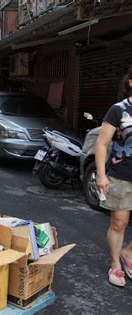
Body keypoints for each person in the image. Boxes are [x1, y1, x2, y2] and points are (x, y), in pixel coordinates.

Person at [96, 68, 132, 287]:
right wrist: (101, 175)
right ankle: (115, 265)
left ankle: (128, 252)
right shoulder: (118, 110)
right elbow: (101, 143)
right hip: (121, 175)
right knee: (119, 222)